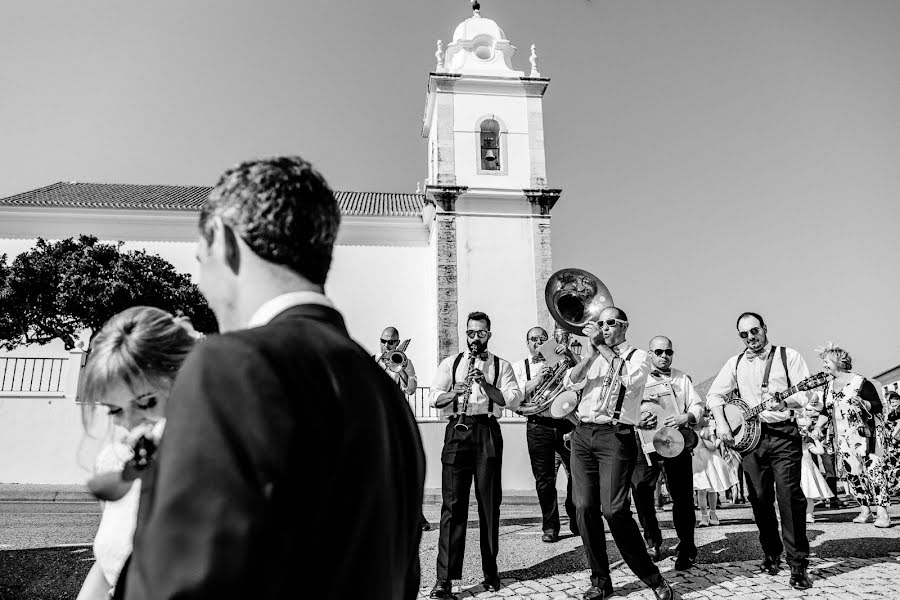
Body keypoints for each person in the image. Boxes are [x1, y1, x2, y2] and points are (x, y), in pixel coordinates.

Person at [119, 156, 426, 600]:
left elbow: (177, 583)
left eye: (200, 261)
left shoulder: (229, 364)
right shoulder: (387, 397)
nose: (203, 286)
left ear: (224, 240)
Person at [75, 307, 199, 600]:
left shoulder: (220, 466)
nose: (130, 423)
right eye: (115, 409)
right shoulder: (114, 460)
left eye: (146, 403)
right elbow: (108, 564)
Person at [564, 307, 673, 600]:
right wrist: (589, 355)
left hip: (615, 435)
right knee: (584, 508)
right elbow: (570, 383)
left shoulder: (637, 356)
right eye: (600, 323)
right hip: (583, 434)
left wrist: (601, 345)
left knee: (614, 509)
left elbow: (631, 380)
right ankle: (600, 580)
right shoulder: (594, 354)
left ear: (624, 326)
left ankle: (651, 576)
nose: (604, 327)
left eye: (610, 323)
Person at [707, 312, 818, 590]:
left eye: (754, 331)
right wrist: (722, 423)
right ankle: (771, 552)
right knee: (759, 499)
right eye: (743, 334)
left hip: (783, 435)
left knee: (790, 498)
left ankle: (798, 564)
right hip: (751, 439)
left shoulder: (788, 355)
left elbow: (807, 394)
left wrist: (786, 403)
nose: (750, 338)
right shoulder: (735, 363)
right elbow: (714, 395)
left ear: (765, 328)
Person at [428, 311, 522, 598]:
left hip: (486, 431)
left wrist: (484, 384)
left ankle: (490, 571)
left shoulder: (501, 365)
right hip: (457, 429)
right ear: (465, 334)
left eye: (481, 333)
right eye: (471, 333)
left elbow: (510, 400)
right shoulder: (451, 363)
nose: (475, 338)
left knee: (489, 504)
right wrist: (455, 392)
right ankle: (444, 579)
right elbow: (434, 398)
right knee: (452, 506)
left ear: (489, 335)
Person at [631, 335, 704, 570]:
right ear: (650, 353)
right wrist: (640, 411)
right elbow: (624, 406)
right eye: (659, 352)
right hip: (646, 442)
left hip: (676, 442)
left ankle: (687, 546)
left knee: (682, 496)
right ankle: (652, 540)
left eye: (669, 352)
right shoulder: (637, 376)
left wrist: (686, 416)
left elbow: (698, 405)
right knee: (641, 490)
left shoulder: (681, 378)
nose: (664, 356)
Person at [812, 343, 891, 528]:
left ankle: (883, 513)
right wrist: (817, 427)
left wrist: (864, 402)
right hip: (843, 439)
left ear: (839, 362)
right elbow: (826, 410)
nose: (824, 365)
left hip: (866, 436)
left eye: (827, 361)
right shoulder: (829, 386)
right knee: (853, 474)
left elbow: (877, 405)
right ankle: (865, 510)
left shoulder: (860, 382)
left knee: (874, 472)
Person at [512, 325, 578, 543]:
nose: (538, 342)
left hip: (565, 423)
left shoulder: (561, 360)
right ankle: (550, 526)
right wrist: (538, 380)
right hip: (537, 425)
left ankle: (574, 512)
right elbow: (514, 397)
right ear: (527, 342)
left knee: (576, 475)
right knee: (544, 479)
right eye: (533, 339)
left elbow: (579, 380)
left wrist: (568, 354)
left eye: (542, 338)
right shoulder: (518, 367)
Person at [375, 326, 429, 530]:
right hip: (378, 422)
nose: (386, 345)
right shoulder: (373, 361)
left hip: (397, 422)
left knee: (406, 468)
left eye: (391, 342)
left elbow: (412, 389)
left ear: (397, 344)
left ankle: (416, 514)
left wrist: (401, 367)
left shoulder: (404, 362)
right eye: (384, 341)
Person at [692, 410, 739, 528]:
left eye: (708, 416)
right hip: (697, 461)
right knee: (701, 489)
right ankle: (704, 516)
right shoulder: (690, 430)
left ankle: (713, 513)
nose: (708, 419)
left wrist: (701, 439)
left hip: (709, 460)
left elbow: (713, 446)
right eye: (705, 416)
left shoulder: (708, 430)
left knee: (712, 489)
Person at [797, 416, 832, 523]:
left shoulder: (807, 444)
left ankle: (809, 514)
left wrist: (815, 439)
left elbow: (820, 451)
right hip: (796, 471)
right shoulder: (791, 445)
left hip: (807, 472)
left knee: (808, 494)